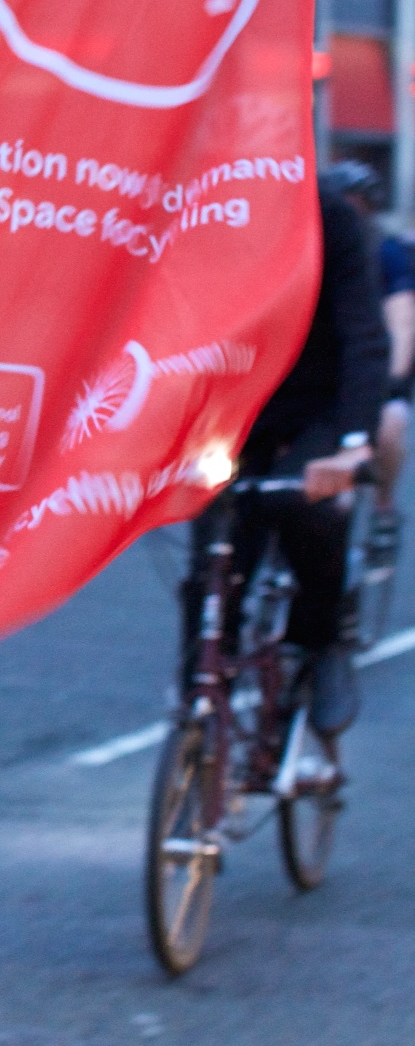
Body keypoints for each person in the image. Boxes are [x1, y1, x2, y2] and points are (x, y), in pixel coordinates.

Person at [184, 175, 389, 741]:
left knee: (304, 505)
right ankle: (197, 704)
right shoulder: (202, 212)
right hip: (236, 407)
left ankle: (322, 643)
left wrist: (353, 444)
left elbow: (364, 337)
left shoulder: (332, 218)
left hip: (316, 405)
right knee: (215, 556)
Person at [323, 157, 412, 517]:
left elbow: (402, 320)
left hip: (372, 364)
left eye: (357, 205)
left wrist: (392, 380)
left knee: (390, 426)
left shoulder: (388, 252)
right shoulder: (313, 245)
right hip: (321, 369)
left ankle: (383, 506)